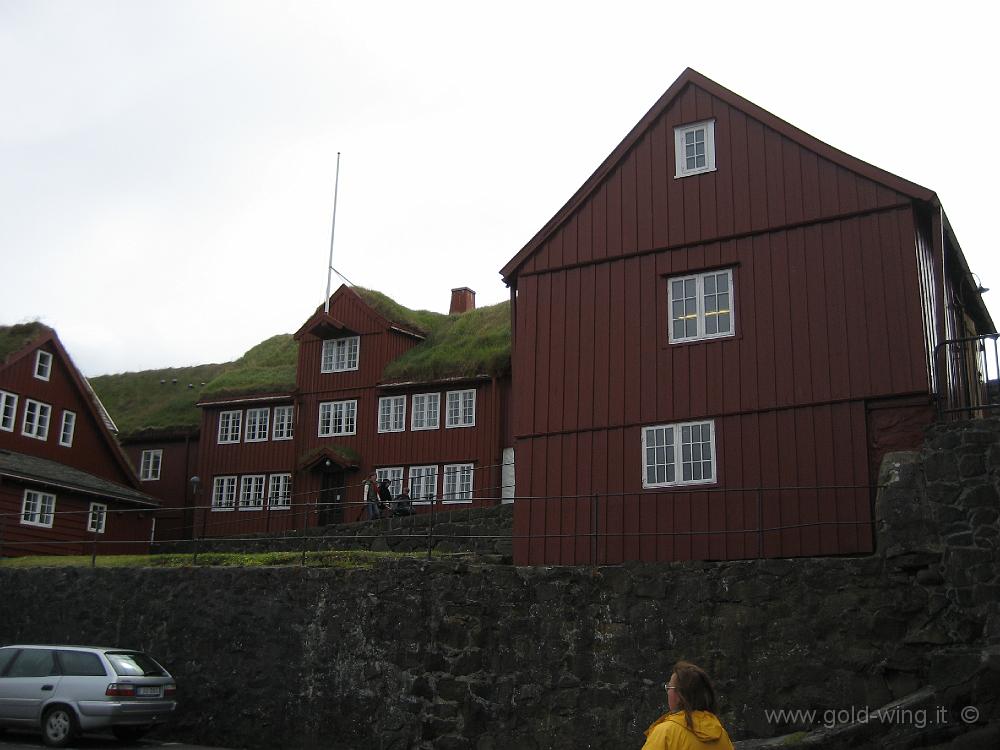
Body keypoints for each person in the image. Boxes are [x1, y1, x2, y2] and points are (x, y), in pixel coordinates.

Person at [641, 661, 734, 750]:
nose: (667, 691)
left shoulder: (665, 733)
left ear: (680, 695)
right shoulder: (721, 734)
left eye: (669, 687)